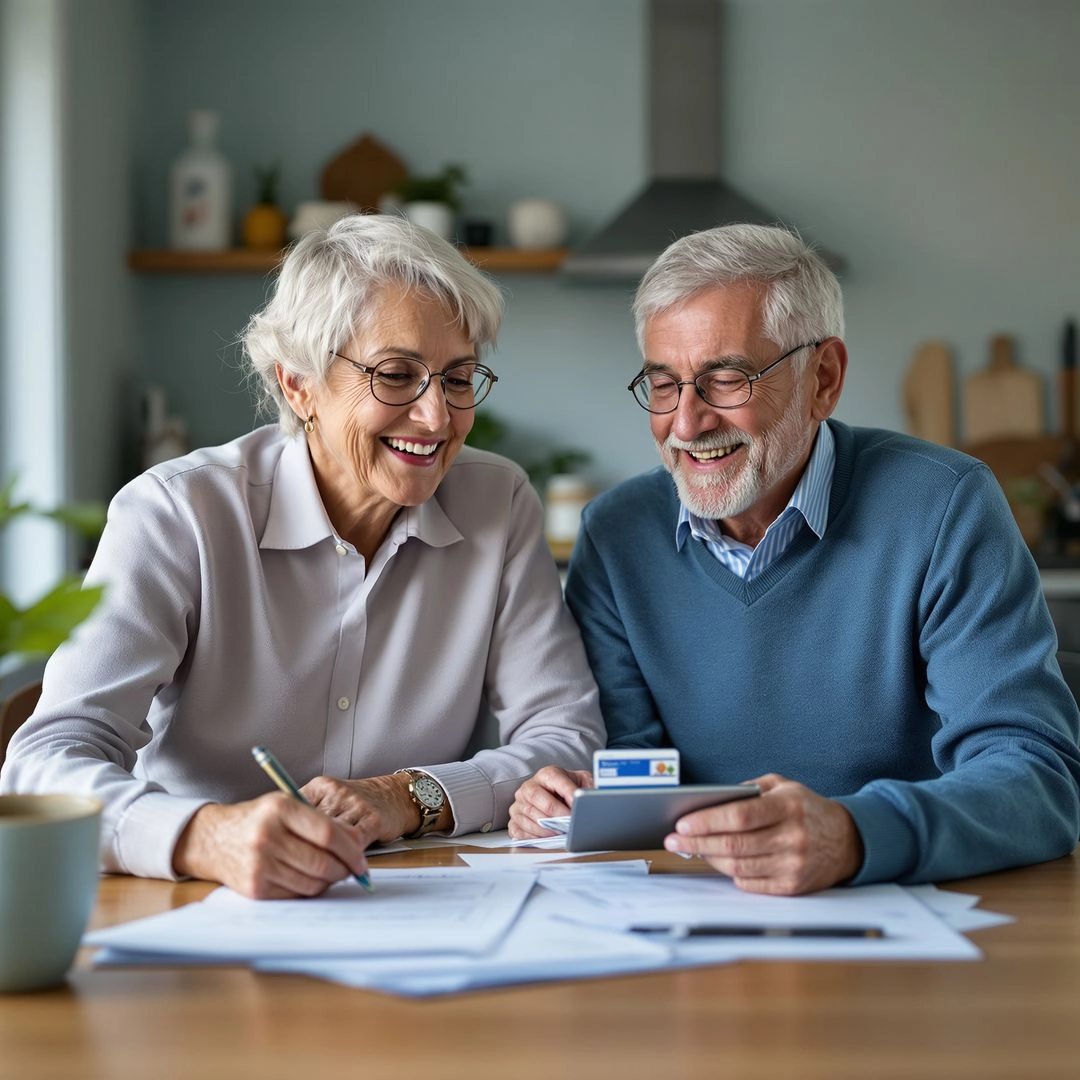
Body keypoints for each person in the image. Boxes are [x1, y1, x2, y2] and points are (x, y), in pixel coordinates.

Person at [1, 214, 604, 898]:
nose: (438, 418)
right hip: (197, 903)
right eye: (397, 375)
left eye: (458, 378)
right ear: (299, 385)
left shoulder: (499, 503)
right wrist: (205, 835)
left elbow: (566, 735)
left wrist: (410, 796)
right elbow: (44, 762)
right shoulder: (177, 513)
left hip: (425, 902)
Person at [509, 222, 1080, 895]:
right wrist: (578, 797)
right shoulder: (616, 535)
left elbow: (1037, 780)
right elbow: (637, 766)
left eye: (727, 379)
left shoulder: (945, 504)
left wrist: (854, 834)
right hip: (697, 914)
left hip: (906, 914)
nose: (687, 424)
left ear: (825, 378)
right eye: (664, 385)